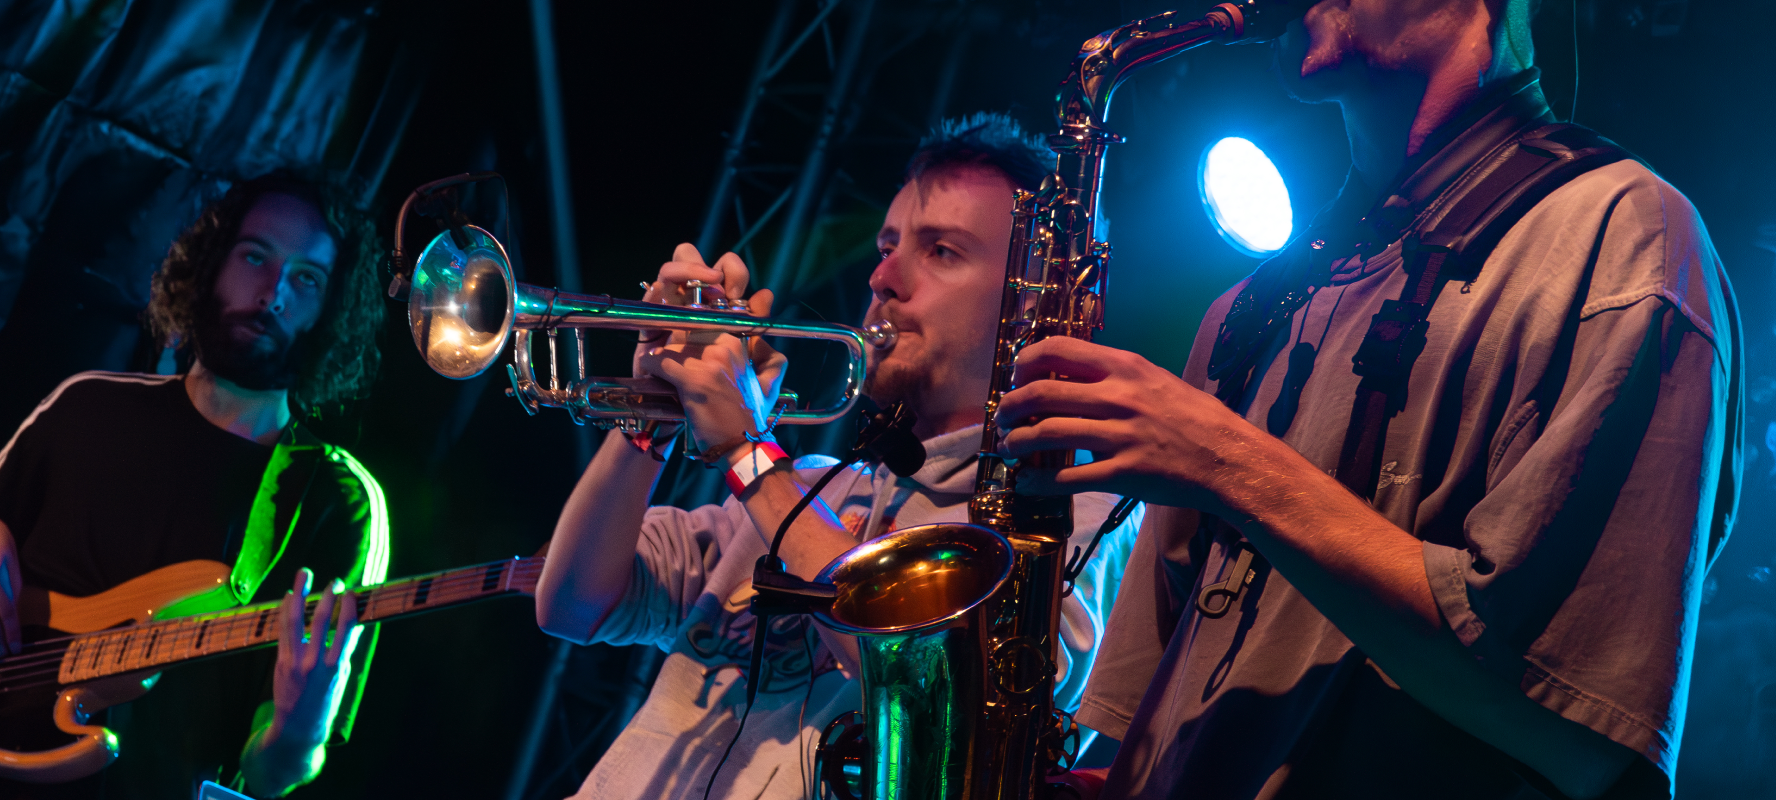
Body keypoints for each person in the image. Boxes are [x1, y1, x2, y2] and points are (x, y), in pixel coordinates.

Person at [1001, 2, 1741, 798]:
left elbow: (1580, 737)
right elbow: (1143, 727)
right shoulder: (1245, 310)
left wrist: (1226, 463)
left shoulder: (1626, 238)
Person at [534, 113, 1141, 799]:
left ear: (1029, 301)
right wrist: (650, 412)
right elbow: (574, 605)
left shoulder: (1083, 517)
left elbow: (955, 707)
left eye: (940, 251)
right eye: (887, 245)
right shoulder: (813, 491)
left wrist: (747, 455)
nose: (884, 276)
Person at [0, 173, 393, 798]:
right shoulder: (87, 406)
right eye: (255, 256)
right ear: (212, 263)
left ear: (333, 310)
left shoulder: (339, 501)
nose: (272, 293)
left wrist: (300, 728)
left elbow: (271, 777)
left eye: (306, 278)